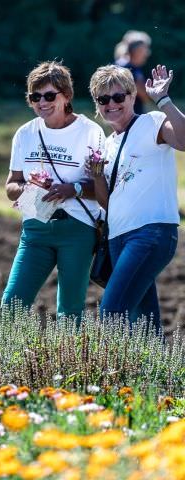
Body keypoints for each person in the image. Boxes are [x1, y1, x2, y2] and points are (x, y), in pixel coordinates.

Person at [2, 61, 105, 318]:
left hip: (78, 228)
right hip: (36, 226)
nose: (42, 102)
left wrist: (74, 189)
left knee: (70, 311)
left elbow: (103, 187)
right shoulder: (25, 133)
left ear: (67, 96)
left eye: (50, 95)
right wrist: (29, 187)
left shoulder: (90, 132)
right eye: (35, 96)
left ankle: (68, 358)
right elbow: (11, 185)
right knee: (11, 305)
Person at [88, 64, 185, 333]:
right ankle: (158, 375)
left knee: (112, 311)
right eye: (103, 99)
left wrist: (163, 100)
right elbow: (108, 203)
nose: (112, 104)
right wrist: (97, 176)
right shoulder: (107, 144)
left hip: (151, 233)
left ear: (132, 96)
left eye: (118, 97)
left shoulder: (151, 122)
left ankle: (110, 373)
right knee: (144, 322)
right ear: (97, 104)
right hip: (118, 237)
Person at [114, 31, 152, 114]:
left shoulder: (128, 66)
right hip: (128, 118)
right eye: (145, 49)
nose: (147, 53)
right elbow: (145, 96)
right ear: (136, 50)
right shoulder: (127, 68)